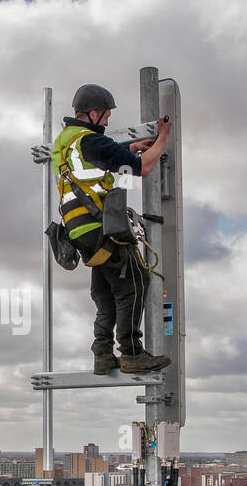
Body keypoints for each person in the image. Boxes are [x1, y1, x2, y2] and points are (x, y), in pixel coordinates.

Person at [51, 83, 173, 374]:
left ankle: (102, 355)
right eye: (105, 115)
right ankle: (132, 353)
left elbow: (97, 158)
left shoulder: (66, 140)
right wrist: (163, 137)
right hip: (101, 226)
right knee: (135, 282)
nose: (107, 121)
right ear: (93, 113)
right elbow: (142, 168)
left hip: (78, 230)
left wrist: (128, 148)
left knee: (105, 293)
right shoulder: (91, 140)